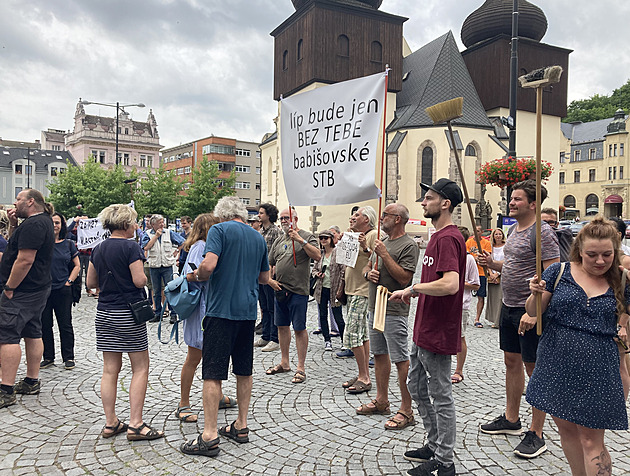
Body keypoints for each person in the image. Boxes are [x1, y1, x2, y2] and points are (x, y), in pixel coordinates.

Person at [526, 217, 629, 475]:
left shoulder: (623, 280)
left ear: (616, 252)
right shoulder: (558, 272)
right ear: (579, 251)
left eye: (607, 254)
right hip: (556, 360)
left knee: (591, 439)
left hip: (599, 366)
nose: (600, 261)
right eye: (592, 254)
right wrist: (534, 294)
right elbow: (533, 311)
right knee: (567, 431)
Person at [180, 197, 269, 458]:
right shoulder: (257, 237)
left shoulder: (219, 230)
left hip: (220, 311)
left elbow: (208, 266)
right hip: (247, 312)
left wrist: (196, 276)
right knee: (244, 370)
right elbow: (264, 278)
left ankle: (209, 435)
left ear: (221, 216)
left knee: (213, 372)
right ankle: (241, 425)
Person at [478, 180, 559, 459]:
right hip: (509, 306)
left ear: (533, 204)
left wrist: (534, 311)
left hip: (530, 311)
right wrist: (493, 264)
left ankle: (537, 433)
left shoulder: (543, 232)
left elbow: (553, 275)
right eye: (511, 199)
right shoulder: (514, 229)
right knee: (511, 362)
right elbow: (513, 265)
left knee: (534, 369)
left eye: (517, 199)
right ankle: (512, 419)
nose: (511, 203)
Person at [390, 178, 465, 476]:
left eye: (429, 198)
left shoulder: (448, 237)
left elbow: (451, 283)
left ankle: (445, 461)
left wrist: (413, 289)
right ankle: (434, 444)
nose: (423, 202)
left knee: (440, 393)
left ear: (445, 203)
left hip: (438, 329)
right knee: (416, 387)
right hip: (424, 327)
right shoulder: (436, 236)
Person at [87, 204, 164, 441]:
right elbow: (139, 280)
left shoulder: (98, 249)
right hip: (128, 314)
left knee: (110, 370)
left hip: (105, 313)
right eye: (134, 222)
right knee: (140, 367)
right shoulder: (131, 248)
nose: (137, 226)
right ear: (125, 224)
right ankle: (136, 424)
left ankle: (111, 423)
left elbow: (90, 282)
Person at [356, 203, 419, 430]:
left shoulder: (409, 245)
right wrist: (368, 273)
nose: (381, 218)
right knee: (379, 354)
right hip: (376, 307)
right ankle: (382, 400)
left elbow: (404, 279)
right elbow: (368, 268)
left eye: (386, 215)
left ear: (398, 219)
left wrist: (384, 254)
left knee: (401, 358)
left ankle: (406, 409)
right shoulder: (384, 242)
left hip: (394, 309)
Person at [175, 213, 237, 423]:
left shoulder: (203, 246)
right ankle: (183, 403)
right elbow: (194, 275)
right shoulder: (201, 247)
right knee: (194, 356)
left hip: (208, 306)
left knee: (212, 354)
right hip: (200, 308)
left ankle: (217, 396)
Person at [0, 189, 54, 409]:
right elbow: (17, 246)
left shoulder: (34, 224)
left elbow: (24, 260)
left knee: (7, 333)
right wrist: (13, 225)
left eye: (19, 199)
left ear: (31, 202)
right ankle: (31, 380)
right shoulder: (41, 222)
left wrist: (10, 287)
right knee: (33, 330)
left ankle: (5, 389)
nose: (15, 202)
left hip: (23, 290)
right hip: (37, 288)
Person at [266, 208, 320, 384]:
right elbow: (270, 263)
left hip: (298, 291)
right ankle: (284, 362)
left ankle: (301, 367)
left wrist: (301, 240)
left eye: (286, 218)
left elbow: (317, 256)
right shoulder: (279, 240)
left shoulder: (307, 236)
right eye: (281, 218)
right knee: (282, 326)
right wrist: (270, 281)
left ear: (295, 219)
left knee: (299, 328)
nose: (283, 221)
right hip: (280, 289)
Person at [339, 206, 378, 394]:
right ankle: (363, 373)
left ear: (367, 220)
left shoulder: (372, 234)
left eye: (357, 215)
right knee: (361, 334)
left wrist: (364, 247)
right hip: (352, 289)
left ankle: (364, 376)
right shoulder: (353, 234)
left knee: (352, 333)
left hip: (362, 290)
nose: (352, 217)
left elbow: (378, 258)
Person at [40, 213, 80, 370]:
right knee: (45, 325)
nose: (54, 225)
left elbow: (77, 265)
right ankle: (48, 357)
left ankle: (68, 357)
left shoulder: (68, 244)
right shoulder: (42, 244)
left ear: (62, 225)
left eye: (57, 222)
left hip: (62, 290)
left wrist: (69, 281)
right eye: (52, 222)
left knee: (65, 325)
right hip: (44, 290)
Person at [141, 214, 185, 323]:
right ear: (153, 224)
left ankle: (173, 314)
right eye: (160, 222)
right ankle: (157, 313)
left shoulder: (169, 233)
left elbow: (183, 242)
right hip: (154, 265)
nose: (162, 224)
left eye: (162, 222)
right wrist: (155, 236)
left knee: (170, 290)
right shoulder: (147, 234)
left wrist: (177, 250)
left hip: (167, 265)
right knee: (156, 291)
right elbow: (146, 247)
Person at [451, 226, 480, 384]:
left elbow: (476, 285)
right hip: (445, 304)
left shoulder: (468, 259)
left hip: (460, 305)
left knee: (459, 337)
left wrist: (458, 283)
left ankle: (459, 370)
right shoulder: (448, 256)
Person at [311, 230, 345, 351]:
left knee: (338, 316)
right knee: (323, 315)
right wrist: (317, 274)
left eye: (326, 238)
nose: (323, 240)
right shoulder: (319, 254)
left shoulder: (337, 253)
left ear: (331, 239)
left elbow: (343, 270)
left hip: (334, 289)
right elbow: (314, 269)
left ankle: (343, 340)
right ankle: (327, 340)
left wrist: (341, 287)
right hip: (321, 289)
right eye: (321, 238)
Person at [255, 203, 281, 352]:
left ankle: (274, 338)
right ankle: (265, 335)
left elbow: (276, 255)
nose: (259, 215)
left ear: (269, 215)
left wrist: (272, 274)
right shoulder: (260, 232)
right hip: (260, 274)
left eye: (261, 213)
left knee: (272, 307)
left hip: (270, 274)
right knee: (264, 307)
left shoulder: (275, 232)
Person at [466, 225, 491, 328]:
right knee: (466, 295)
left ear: (482, 232)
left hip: (481, 273)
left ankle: (477, 319)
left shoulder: (486, 243)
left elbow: (487, 256)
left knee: (481, 297)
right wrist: (474, 258)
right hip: (469, 272)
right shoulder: (468, 242)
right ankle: (465, 317)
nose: (476, 233)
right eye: (475, 231)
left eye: (478, 231)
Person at [485, 228, 505, 328]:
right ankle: (493, 319)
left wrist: (497, 274)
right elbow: (487, 261)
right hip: (491, 275)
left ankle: (498, 321)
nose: (498, 236)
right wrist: (491, 274)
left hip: (501, 274)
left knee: (500, 298)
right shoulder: (491, 247)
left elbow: (506, 260)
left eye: (500, 234)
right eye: (496, 234)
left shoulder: (505, 247)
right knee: (492, 298)